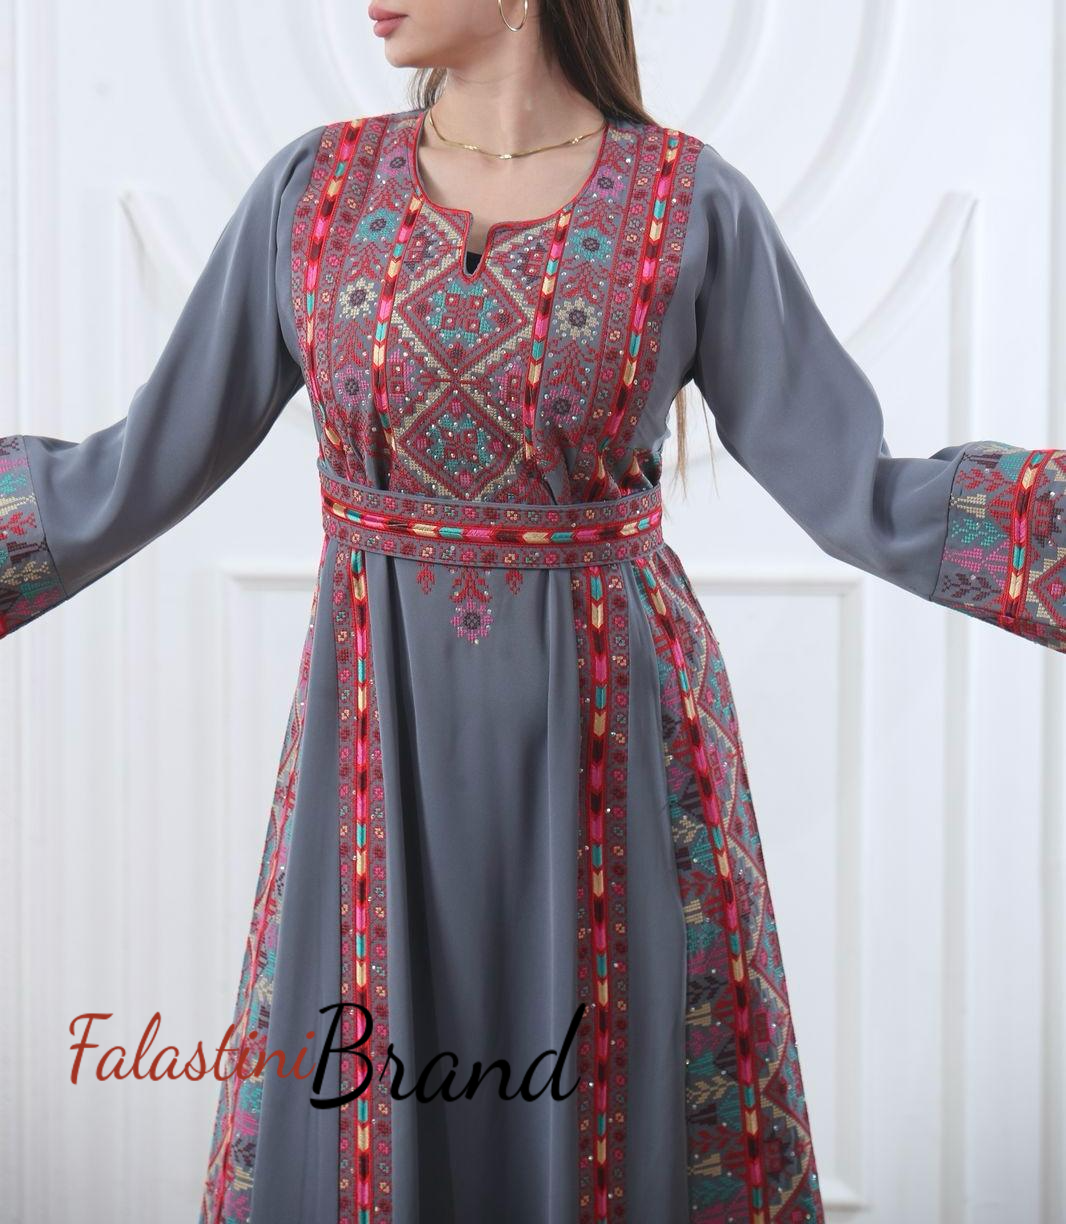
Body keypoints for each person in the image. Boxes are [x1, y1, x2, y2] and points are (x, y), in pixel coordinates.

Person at [2, 2, 1063, 1221]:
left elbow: (854, 488)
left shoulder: (686, 204)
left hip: (612, 749)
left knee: (609, 1103)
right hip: (376, 748)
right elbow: (136, 468)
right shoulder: (316, 193)